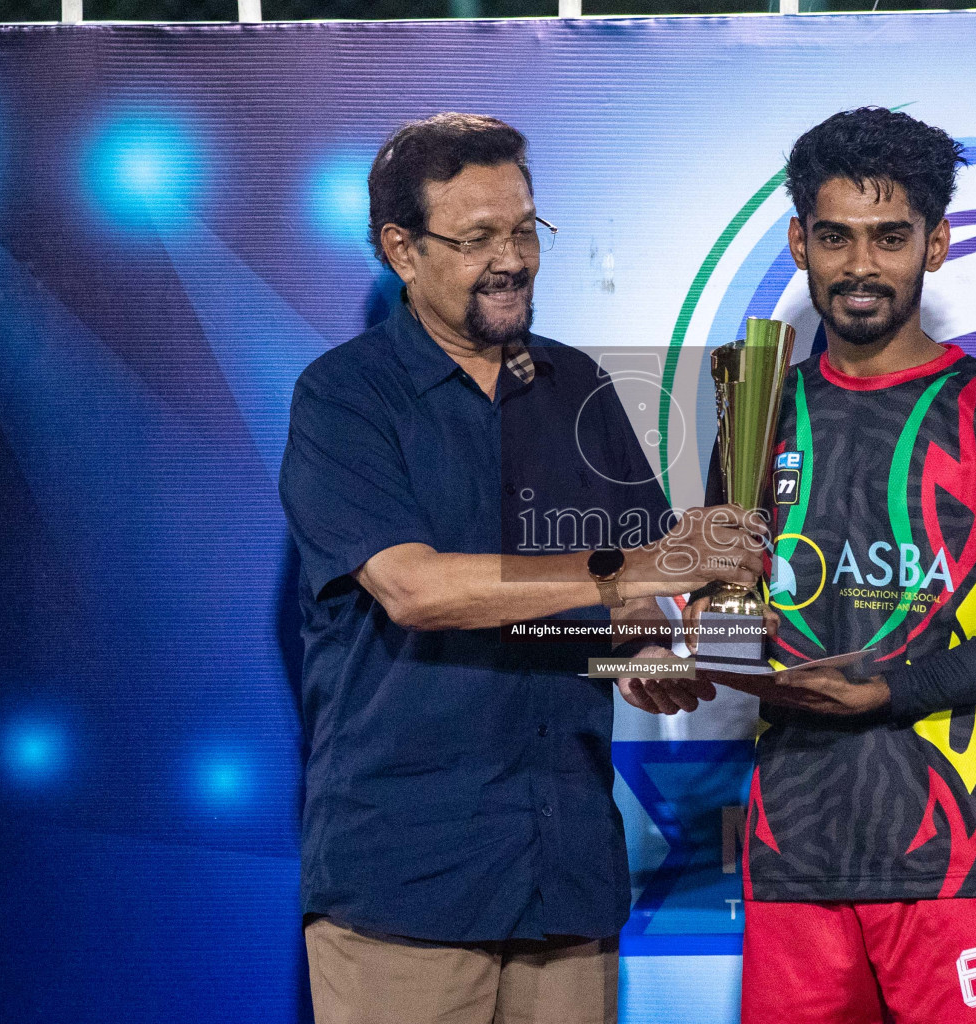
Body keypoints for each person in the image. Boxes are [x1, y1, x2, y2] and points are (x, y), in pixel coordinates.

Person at [278, 112, 753, 1024]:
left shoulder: (578, 388)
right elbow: (415, 589)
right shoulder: (343, 398)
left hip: (565, 876)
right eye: (478, 237)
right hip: (409, 888)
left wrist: (650, 653)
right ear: (401, 250)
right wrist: (634, 571)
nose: (513, 259)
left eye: (526, 229)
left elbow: (640, 600)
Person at [669, 107, 976, 1023]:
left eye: (890, 238)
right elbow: (733, 621)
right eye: (836, 238)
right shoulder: (753, 414)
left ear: (934, 244)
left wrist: (887, 692)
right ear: (798, 242)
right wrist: (690, 648)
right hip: (796, 863)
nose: (861, 266)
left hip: (960, 864)